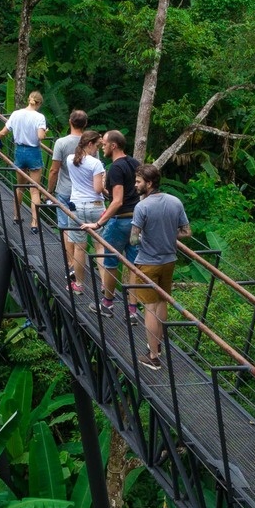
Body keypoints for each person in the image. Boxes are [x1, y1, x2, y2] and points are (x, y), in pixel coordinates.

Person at [129, 163, 190, 370]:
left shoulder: (142, 207)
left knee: (150, 308)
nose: (136, 185)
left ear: (150, 183)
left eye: (138, 182)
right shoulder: (175, 201)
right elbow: (186, 232)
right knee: (162, 302)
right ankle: (158, 344)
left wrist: (147, 236)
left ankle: (153, 356)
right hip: (169, 261)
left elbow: (133, 240)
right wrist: (168, 235)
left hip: (148, 263)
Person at [92, 131, 138, 317]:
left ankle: (107, 304)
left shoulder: (116, 168)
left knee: (110, 262)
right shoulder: (135, 163)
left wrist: (99, 222)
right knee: (134, 265)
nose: (102, 147)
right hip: (136, 221)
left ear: (114, 146)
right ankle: (132, 310)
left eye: (104, 144)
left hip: (120, 221)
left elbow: (118, 200)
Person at [46, 111, 90, 281]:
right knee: (81, 227)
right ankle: (80, 264)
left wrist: (49, 191)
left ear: (70, 121)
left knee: (65, 226)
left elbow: (54, 169)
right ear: (85, 124)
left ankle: (72, 263)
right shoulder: (90, 143)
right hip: (85, 192)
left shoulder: (61, 143)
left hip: (64, 191)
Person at [61, 130, 107, 292]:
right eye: (96, 145)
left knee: (80, 248)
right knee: (100, 247)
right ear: (89, 144)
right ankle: (104, 284)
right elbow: (97, 188)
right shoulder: (96, 164)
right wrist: (104, 179)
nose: (97, 149)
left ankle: (79, 285)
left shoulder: (69, 159)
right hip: (95, 207)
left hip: (77, 206)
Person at [0, 91, 50, 227]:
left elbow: (4, 131)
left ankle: (16, 216)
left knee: (20, 187)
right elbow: (40, 136)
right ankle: (34, 223)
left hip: (19, 151)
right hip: (33, 152)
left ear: (29, 100)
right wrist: (45, 132)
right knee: (34, 190)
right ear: (38, 103)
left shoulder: (16, 114)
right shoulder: (39, 117)